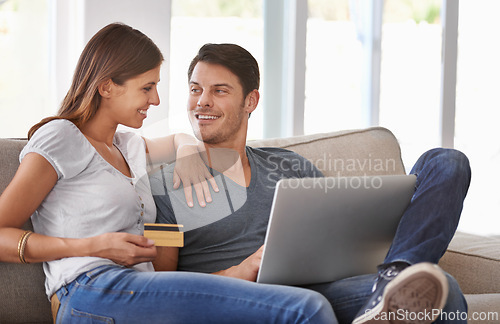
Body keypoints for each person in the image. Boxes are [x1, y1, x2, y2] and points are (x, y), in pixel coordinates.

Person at [0, 24, 336, 323]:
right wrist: (94, 245)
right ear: (107, 87)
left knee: (311, 302)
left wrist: (188, 147)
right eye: (147, 88)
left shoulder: (129, 147)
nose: (157, 99)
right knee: (304, 309)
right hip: (90, 289)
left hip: (143, 288)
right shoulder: (62, 136)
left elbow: (178, 139)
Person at [150, 43, 472, 323]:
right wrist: (242, 270)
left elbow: (336, 235)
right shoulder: (164, 187)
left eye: (219, 91)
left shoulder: (289, 165)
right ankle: (392, 292)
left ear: (250, 101)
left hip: (323, 289)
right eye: (195, 89)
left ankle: (394, 279)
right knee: (443, 294)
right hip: (250, 301)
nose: (202, 101)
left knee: (446, 162)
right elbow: (161, 290)